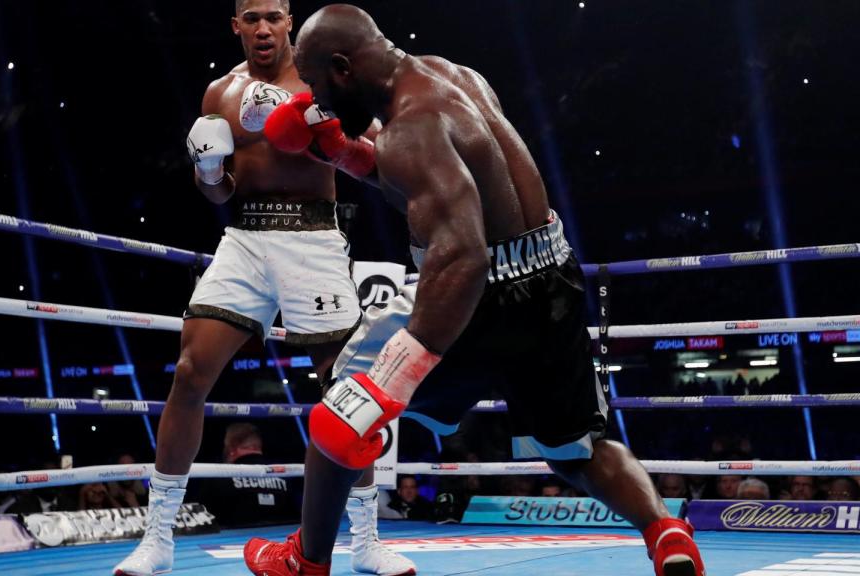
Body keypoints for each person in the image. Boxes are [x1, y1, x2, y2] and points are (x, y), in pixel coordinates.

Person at [242, 5, 705, 576]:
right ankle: (665, 532)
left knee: (342, 409)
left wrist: (394, 378)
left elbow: (461, 252)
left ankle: (305, 562)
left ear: (342, 67)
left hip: (473, 289)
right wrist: (344, 154)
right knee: (575, 448)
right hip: (550, 277)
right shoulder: (452, 76)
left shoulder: (409, 130)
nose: (317, 101)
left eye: (315, 84)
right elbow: (434, 186)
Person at [113, 1, 414, 574]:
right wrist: (207, 172)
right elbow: (221, 193)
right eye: (251, 17)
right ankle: (159, 538)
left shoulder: (322, 75)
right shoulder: (218, 94)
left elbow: (375, 148)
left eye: (273, 16)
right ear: (236, 25)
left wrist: (325, 126)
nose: (263, 28)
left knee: (345, 390)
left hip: (314, 237)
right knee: (188, 373)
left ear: (289, 21)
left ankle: (367, 540)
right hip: (245, 237)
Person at [197, 423, 298, 527]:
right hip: (283, 537)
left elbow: (201, 519)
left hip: (232, 539)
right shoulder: (284, 474)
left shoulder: (218, 476)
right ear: (259, 446)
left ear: (231, 449)